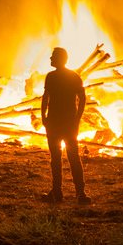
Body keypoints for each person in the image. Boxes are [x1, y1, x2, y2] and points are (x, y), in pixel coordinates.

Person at [40, 46, 91, 204]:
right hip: (63, 122)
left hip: (58, 122)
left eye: (53, 56)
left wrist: (44, 117)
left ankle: (70, 193)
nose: (50, 58)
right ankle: (68, 193)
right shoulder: (71, 76)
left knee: (61, 157)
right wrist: (76, 119)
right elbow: (47, 97)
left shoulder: (55, 77)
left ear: (60, 59)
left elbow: (46, 98)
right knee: (69, 157)